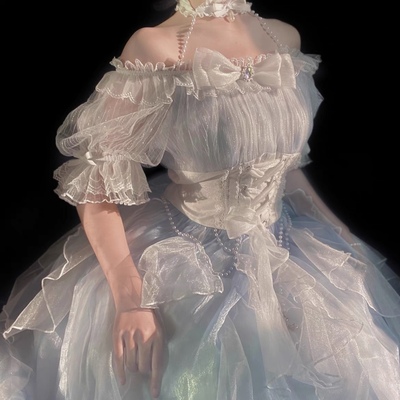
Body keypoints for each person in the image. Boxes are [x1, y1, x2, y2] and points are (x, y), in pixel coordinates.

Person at [1, 0, 399, 399]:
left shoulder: (283, 37)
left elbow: (285, 165)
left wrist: (341, 233)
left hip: (286, 247)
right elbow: (96, 179)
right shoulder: (155, 48)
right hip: (184, 258)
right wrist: (131, 299)